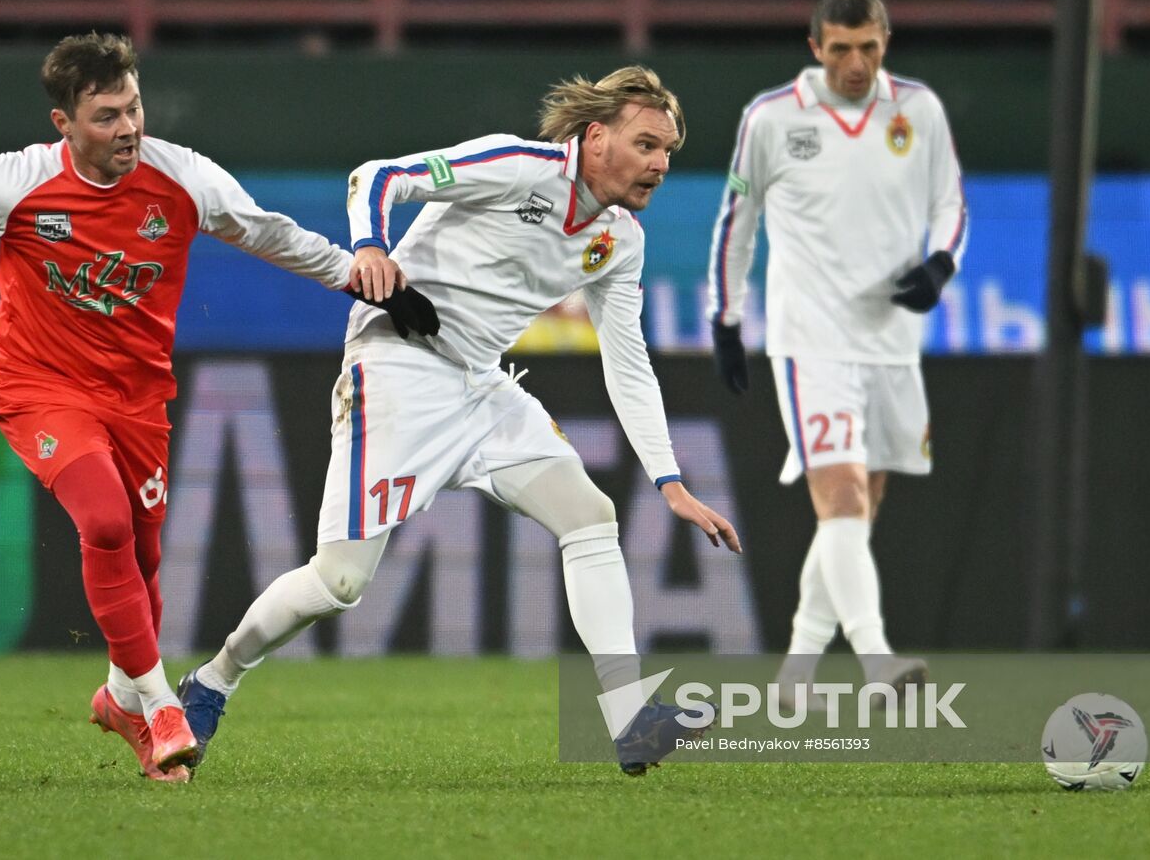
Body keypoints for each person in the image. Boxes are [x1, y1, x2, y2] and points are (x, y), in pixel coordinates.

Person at [0, 31, 436, 783]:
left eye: (134, 108)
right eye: (106, 116)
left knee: (140, 564)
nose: (128, 128)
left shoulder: (183, 178)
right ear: (63, 124)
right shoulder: (16, 181)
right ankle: (163, 707)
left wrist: (369, 283)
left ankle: (120, 701)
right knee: (103, 520)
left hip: (139, 400)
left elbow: (271, 234)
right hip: (40, 388)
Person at [178, 66, 741, 776]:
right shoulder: (521, 167)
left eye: (669, 151)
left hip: (482, 386)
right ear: (596, 137)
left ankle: (628, 716)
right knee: (340, 582)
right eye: (648, 143)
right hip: (399, 369)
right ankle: (213, 678)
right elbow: (377, 177)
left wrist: (669, 481)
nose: (661, 163)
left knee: (591, 515)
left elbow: (628, 363)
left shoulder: (620, 240)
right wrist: (372, 247)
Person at [706, 0, 968, 705]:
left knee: (858, 508)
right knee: (843, 494)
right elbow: (738, 220)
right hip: (810, 339)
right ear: (815, 47)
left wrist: (941, 264)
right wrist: (725, 319)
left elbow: (952, 203)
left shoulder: (918, 111)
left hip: (890, 342)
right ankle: (878, 660)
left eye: (869, 47)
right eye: (842, 49)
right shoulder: (771, 118)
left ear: (886, 42)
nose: (856, 63)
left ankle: (796, 668)